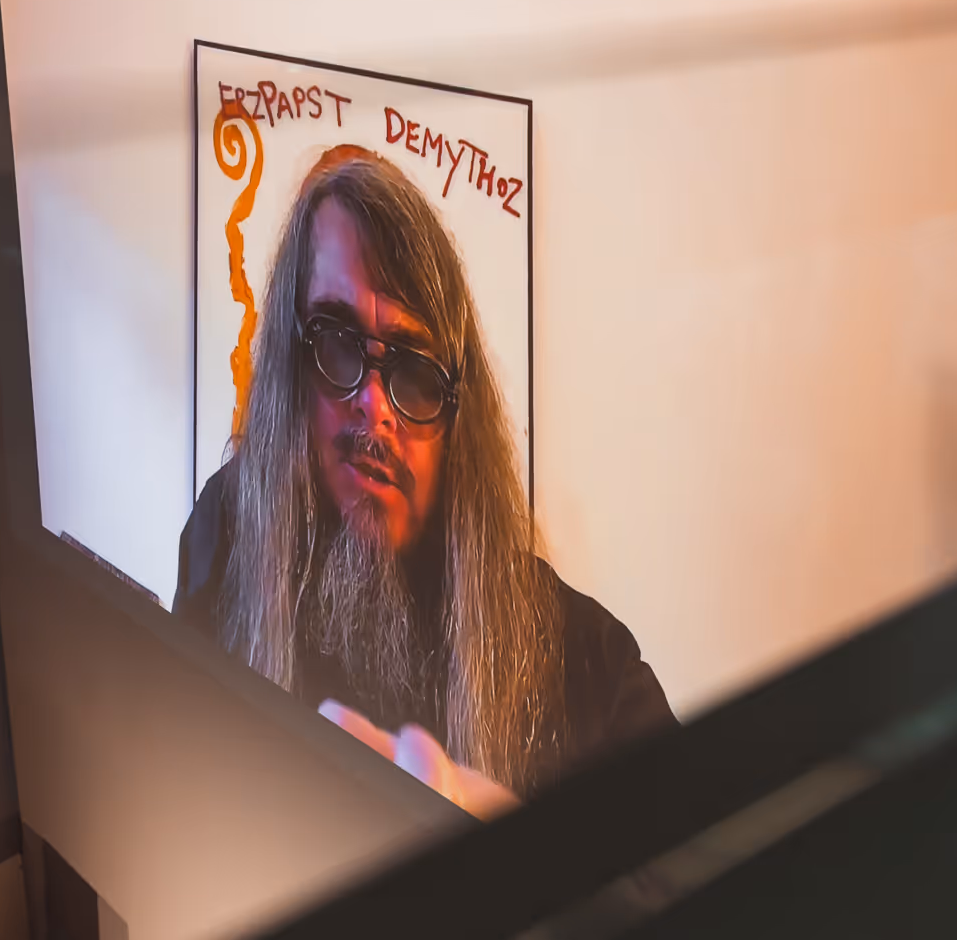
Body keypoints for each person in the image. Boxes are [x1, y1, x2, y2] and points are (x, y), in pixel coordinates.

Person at [175, 144, 676, 819]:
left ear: (461, 425)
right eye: (337, 343)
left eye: (414, 373)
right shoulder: (227, 536)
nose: (374, 407)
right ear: (292, 360)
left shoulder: (592, 670)